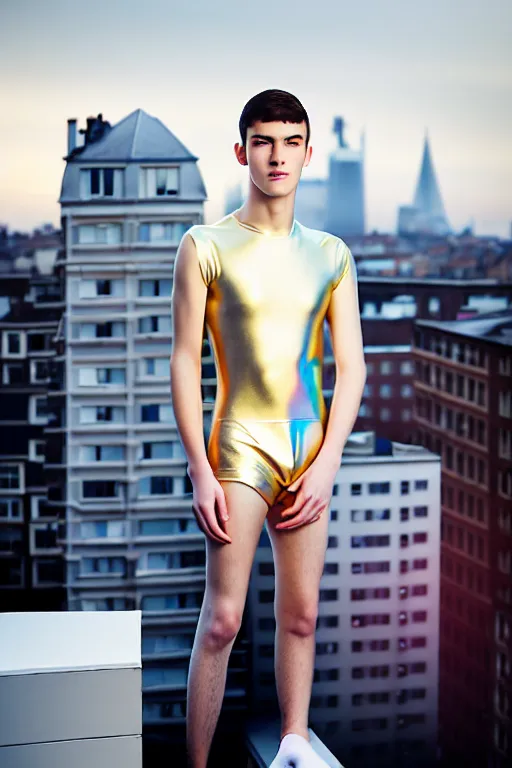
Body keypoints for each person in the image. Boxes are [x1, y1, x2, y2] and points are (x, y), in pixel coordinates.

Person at [170, 88, 366, 768]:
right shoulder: (205, 245)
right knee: (222, 620)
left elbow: (353, 367)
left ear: (309, 154)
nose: (277, 155)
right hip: (239, 447)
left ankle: (292, 747)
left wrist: (331, 458)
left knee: (302, 618)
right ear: (242, 150)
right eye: (263, 141)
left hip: (308, 448)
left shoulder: (333, 254)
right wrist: (199, 469)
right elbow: (181, 361)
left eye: (289, 142)